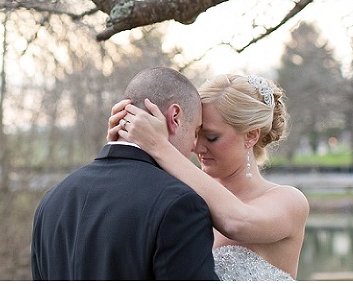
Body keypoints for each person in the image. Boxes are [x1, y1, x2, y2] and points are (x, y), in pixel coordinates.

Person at [108, 73, 309, 280]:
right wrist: (122, 149)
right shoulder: (179, 197)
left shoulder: (290, 201)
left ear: (251, 135)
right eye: (196, 133)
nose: (196, 147)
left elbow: (237, 223)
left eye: (212, 137)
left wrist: (159, 145)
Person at [31, 67, 220, 280]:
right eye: (196, 131)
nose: (195, 145)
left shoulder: (51, 200)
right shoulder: (180, 205)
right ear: (175, 117)